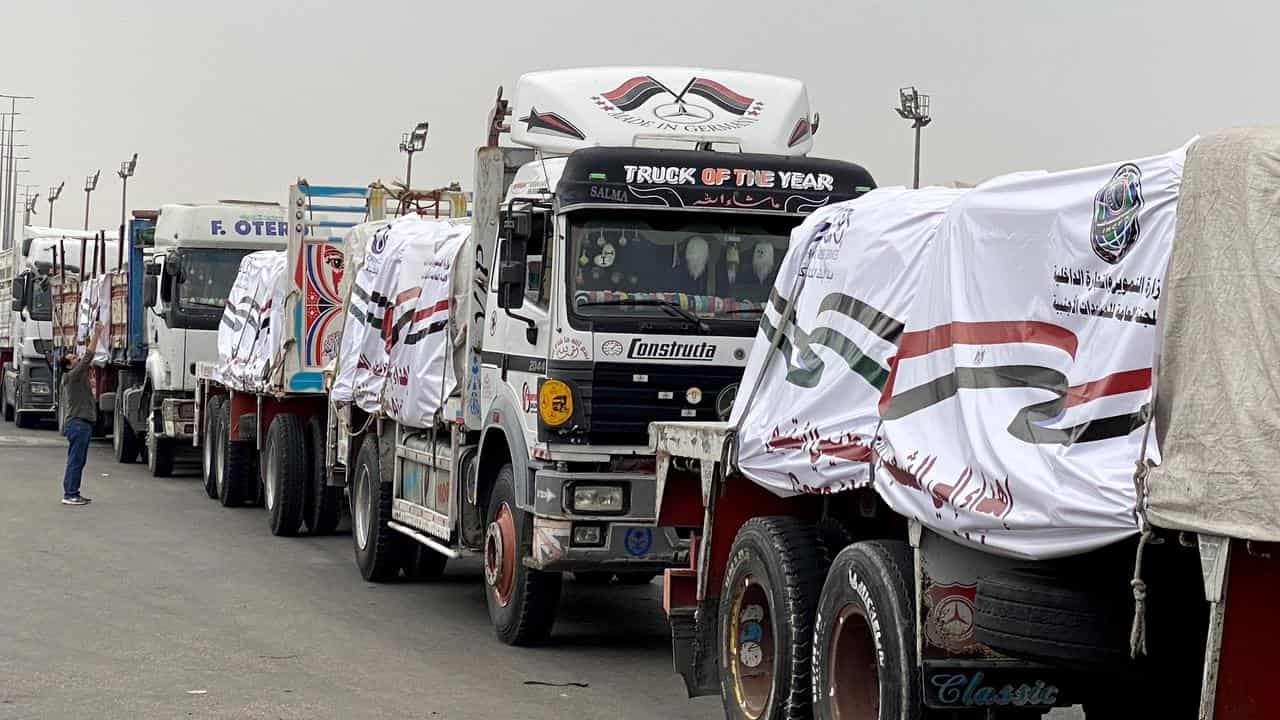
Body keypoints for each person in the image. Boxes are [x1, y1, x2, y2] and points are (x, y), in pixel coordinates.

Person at [59, 324, 103, 506]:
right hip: (78, 424)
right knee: (76, 461)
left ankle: (73, 492)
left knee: (78, 460)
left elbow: (84, 358)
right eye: (73, 358)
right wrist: (97, 334)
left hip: (79, 424)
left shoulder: (72, 377)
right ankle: (70, 494)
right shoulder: (72, 376)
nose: (77, 359)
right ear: (69, 366)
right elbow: (88, 358)